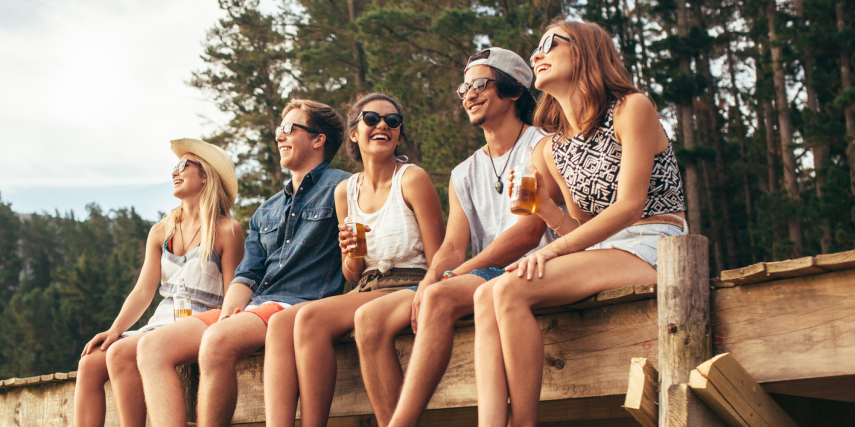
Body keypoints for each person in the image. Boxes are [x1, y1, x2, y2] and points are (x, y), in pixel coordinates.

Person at [474, 21, 686, 427]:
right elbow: (582, 230)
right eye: (536, 47)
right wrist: (545, 210)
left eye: (551, 44)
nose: (538, 54)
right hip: (606, 252)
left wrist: (549, 249)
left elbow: (628, 207)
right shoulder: (551, 149)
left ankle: (523, 422)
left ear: (587, 51)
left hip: (656, 243)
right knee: (487, 295)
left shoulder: (631, 108)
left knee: (509, 288)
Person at [352, 48, 562, 427]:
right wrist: (431, 278)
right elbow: (450, 246)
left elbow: (529, 231)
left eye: (480, 83)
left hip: (538, 267)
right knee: (419, 297)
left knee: (440, 294)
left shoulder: (540, 146)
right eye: (463, 87)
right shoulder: (464, 172)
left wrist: (454, 276)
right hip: (485, 280)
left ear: (514, 91)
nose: (468, 93)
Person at [136, 99, 350, 427]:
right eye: (279, 129)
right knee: (153, 346)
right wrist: (225, 318)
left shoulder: (343, 188)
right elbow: (246, 275)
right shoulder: (267, 210)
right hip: (256, 306)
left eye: (290, 128)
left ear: (318, 139)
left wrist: (223, 329)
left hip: (300, 305)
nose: (280, 135)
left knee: (216, 341)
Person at [262, 93, 444, 427]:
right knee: (290, 321)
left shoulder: (412, 179)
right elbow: (352, 273)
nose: (383, 126)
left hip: (410, 284)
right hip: (367, 286)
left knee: (351, 318)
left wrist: (428, 295)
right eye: (372, 119)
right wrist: (351, 252)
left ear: (399, 134)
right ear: (354, 133)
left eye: (393, 121)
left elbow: (440, 258)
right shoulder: (346, 191)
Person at [72, 138, 244, 427]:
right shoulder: (161, 231)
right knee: (90, 362)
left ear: (205, 176)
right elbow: (142, 291)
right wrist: (115, 329)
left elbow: (234, 291)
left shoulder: (227, 230)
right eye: (173, 167)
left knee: (121, 352)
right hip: (161, 322)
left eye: (183, 165)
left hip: (206, 320)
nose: (174, 172)